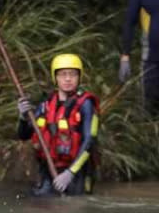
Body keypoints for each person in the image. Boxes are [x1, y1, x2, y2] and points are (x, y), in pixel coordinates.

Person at [17, 54, 100, 196]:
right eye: (62, 74)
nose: (68, 79)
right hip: (48, 170)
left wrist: (70, 173)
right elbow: (23, 135)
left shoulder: (86, 104)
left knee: (72, 208)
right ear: (55, 77)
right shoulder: (46, 105)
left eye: (73, 74)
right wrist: (23, 117)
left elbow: (89, 140)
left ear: (79, 77)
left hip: (76, 172)